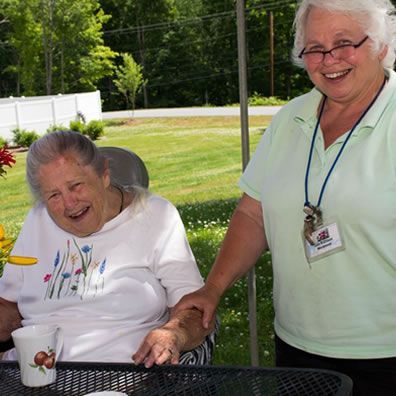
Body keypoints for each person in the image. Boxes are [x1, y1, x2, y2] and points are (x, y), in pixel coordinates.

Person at [174, 0, 396, 394]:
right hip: (298, 347)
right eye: (314, 48)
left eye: (344, 42)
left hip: (385, 355)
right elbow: (253, 214)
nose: (329, 59)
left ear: (380, 44)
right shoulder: (291, 119)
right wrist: (213, 288)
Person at [0, 130, 214, 366]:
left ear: (104, 174)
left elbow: (195, 309)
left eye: (76, 185)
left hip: (123, 378)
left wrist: (174, 333)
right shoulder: (38, 219)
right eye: (54, 195)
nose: (69, 203)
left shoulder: (155, 216)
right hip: (31, 376)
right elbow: (8, 307)